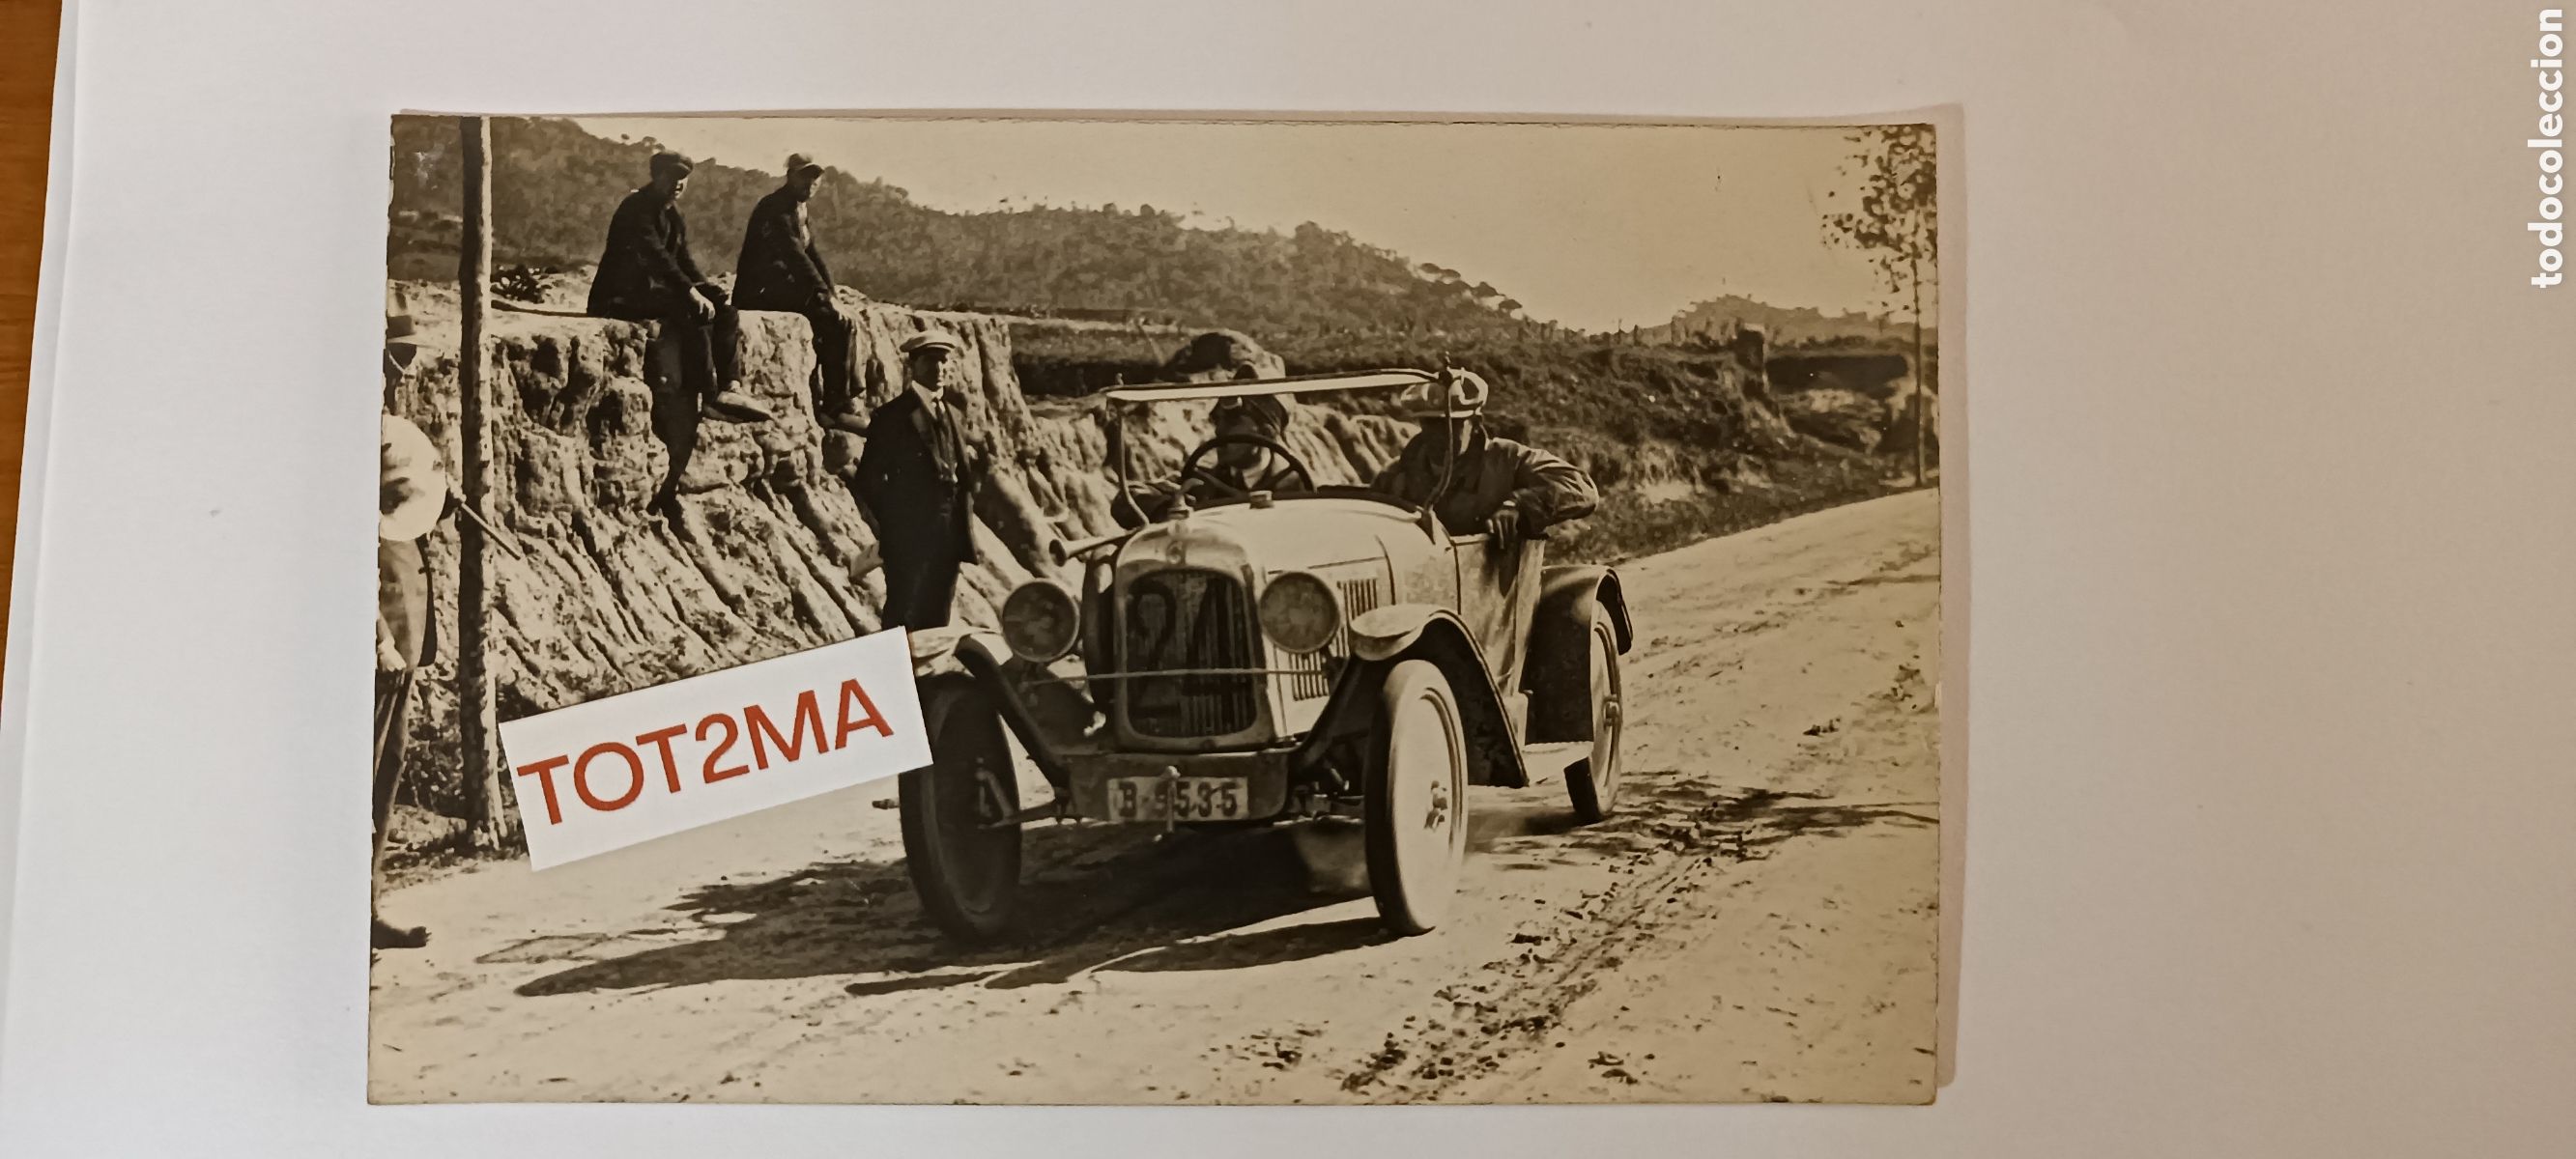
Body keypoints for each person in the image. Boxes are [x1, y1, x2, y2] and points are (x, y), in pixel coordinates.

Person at [587, 152, 772, 426]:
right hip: (619, 296)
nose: (677, 183)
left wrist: (705, 287)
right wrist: (690, 292)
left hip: (650, 291)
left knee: (726, 311)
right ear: (656, 176)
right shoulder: (636, 208)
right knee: (692, 310)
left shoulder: (673, 213)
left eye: (683, 178)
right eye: (671, 177)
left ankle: (731, 386)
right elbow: (656, 256)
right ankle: (710, 398)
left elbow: (682, 258)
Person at [854, 329, 991, 630]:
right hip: (909, 536)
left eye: (944, 361)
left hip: (949, 534)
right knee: (902, 613)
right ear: (912, 366)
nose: (939, 368)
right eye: (930, 361)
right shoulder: (892, 416)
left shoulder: (954, 414)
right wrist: (895, 524)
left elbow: (968, 474)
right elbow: (868, 480)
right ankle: (897, 674)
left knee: (938, 613)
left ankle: (930, 677)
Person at [1371, 370, 1598, 551]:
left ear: (1475, 422)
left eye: (1452, 424)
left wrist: (1518, 505)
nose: (1439, 434)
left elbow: (1581, 488)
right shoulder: (1395, 476)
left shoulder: (1506, 459)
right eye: (1430, 424)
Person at [375, 412, 445, 951]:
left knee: (386, 770)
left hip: (402, 645)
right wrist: (378, 637)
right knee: (362, 774)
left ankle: (366, 904)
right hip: (378, 651)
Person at [735, 154, 868, 435]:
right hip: (759, 292)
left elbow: (813, 253)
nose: (810, 182)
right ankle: (836, 407)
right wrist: (825, 297)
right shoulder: (775, 208)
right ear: (789, 176)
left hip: (783, 286)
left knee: (844, 316)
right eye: (804, 175)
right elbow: (794, 256)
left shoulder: (800, 209)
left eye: (815, 177)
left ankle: (849, 397)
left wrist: (833, 293)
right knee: (832, 319)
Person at [1114, 388, 1311, 527]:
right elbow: (1125, 500)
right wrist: (1168, 507)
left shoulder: (1299, 490)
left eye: (1234, 423)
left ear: (1266, 434)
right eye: (1218, 421)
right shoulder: (1199, 485)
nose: (1219, 430)